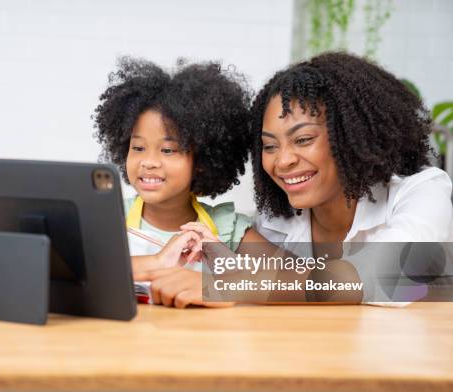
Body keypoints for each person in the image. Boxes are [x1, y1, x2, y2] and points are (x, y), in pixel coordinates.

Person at [143, 52, 453, 307]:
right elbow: (290, 288)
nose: (283, 160)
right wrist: (231, 267)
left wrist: (235, 283)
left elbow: (383, 275)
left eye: (303, 139)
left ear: (352, 136)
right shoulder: (279, 218)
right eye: (269, 146)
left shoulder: (423, 191)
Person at [93, 57, 253, 277]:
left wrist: (229, 268)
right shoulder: (108, 218)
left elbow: (308, 280)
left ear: (202, 162)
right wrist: (157, 262)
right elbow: (72, 273)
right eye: (138, 147)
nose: (148, 162)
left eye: (167, 150)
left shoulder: (228, 229)